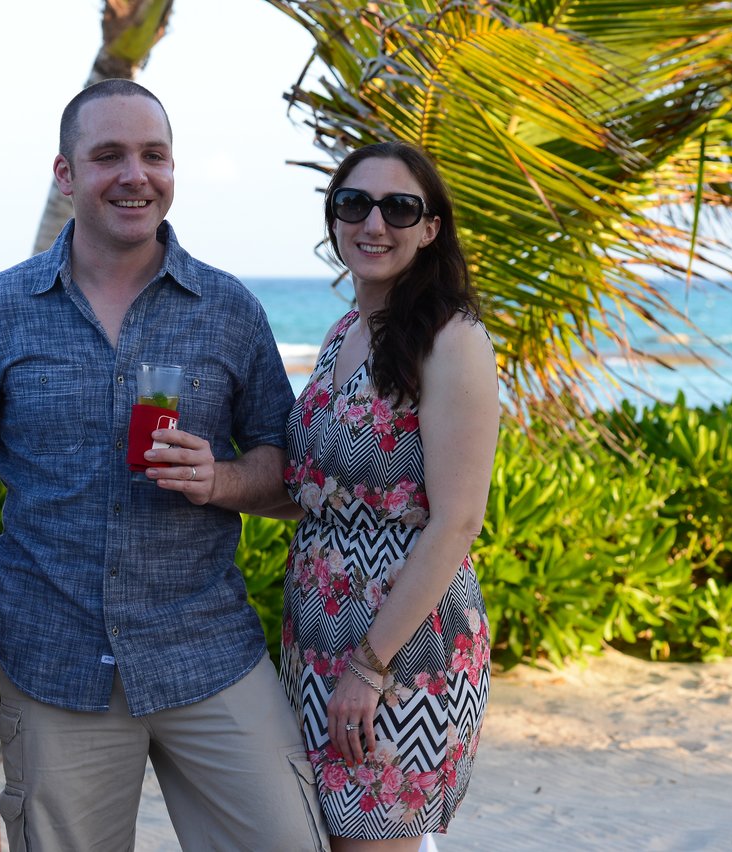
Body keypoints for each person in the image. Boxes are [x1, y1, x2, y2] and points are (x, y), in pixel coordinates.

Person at [0, 79, 328, 851]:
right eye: (108, 155)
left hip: (207, 650)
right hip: (54, 662)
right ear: (65, 173)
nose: (134, 175)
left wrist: (221, 480)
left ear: (174, 170)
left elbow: (289, 473)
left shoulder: (229, 308)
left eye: (154, 155)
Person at [278, 141, 498, 850]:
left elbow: (459, 520)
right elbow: (313, 489)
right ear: (334, 218)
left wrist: (369, 666)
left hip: (400, 651)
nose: (374, 223)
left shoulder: (452, 338)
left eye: (399, 207)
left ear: (431, 227)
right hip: (317, 643)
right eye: (355, 203)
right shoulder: (345, 333)